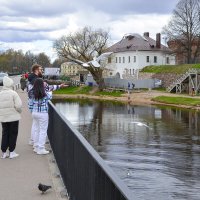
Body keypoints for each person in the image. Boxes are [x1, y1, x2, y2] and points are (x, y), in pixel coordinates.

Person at [0, 76, 22, 159]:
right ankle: (12, 152)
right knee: (13, 133)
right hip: (13, 117)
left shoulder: (0, 93)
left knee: (5, 133)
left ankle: (4, 152)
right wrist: (19, 112)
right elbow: (19, 105)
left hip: (3, 117)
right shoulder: (13, 93)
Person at [28, 78, 52, 155]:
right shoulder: (44, 92)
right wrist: (48, 89)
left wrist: (32, 111)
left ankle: (36, 146)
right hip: (43, 113)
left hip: (34, 113)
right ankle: (41, 148)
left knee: (36, 129)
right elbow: (50, 97)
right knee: (43, 131)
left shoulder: (31, 92)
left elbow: (30, 104)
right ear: (42, 84)